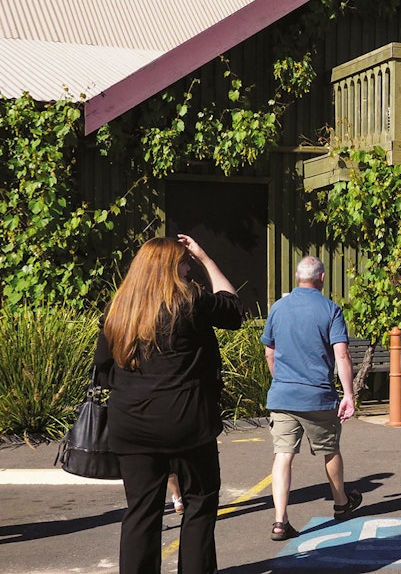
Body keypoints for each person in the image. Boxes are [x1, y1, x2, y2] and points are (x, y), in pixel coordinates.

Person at [94, 235, 243, 573]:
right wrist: (205, 258)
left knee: (141, 511)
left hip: (131, 421)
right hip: (186, 419)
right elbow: (234, 310)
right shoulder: (189, 300)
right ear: (170, 268)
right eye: (184, 264)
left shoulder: (119, 308)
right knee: (199, 503)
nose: (188, 269)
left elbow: (103, 366)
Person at [261, 255, 362, 541]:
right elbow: (342, 354)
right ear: (322, 278)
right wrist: (349, 394)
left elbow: (269, 352)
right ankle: (341, 503)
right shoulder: (330, 309)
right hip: (318, 395)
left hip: (283, 395)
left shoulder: (278, 308)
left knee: (283, 455)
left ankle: (280, 520)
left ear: (297, 277)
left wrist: (280, 380)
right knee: (330, 449)